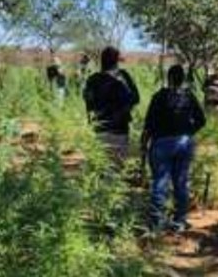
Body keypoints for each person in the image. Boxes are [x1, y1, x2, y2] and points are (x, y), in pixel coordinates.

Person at [142, 64, 206, 232]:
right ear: (183, 79)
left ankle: (157, 222)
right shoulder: (189, 97)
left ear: (168, 78)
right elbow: (201, 120)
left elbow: (148, 124)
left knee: (160, 182)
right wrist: (188, 132)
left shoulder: (158, 97)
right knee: (181, 182)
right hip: (184, 143)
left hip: (161, 143)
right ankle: (180, 221)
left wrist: (144, 144)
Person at [83, 46, 140, 165]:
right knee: (118, 169)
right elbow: (135, 98)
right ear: (116, 61)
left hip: (99, 129)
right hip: (119, 130)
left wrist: (91, 121)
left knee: (103, 168)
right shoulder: (123, 76)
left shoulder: (92, 80)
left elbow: (88, 103)